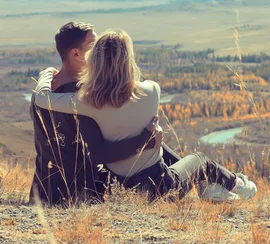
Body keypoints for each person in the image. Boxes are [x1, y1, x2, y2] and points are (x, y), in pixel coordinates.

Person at [33, 29, 257, 202]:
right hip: (161, 185)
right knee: (199, 159)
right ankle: (238, 185)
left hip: (120, 188)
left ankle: (211, 188)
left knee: (153, 141)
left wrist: (46, 74)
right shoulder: (151, 90)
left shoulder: (87, 102)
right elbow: (146, 135)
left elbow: (42, 99)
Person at [29, 22, 164, 205]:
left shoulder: (44, 93)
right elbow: (99, 152)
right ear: (76, 54)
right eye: (93, 45)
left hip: (42, 191)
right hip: (82, 194)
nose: (100, 50)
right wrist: (146, 140)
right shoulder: (84, 97)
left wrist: (45, 74)